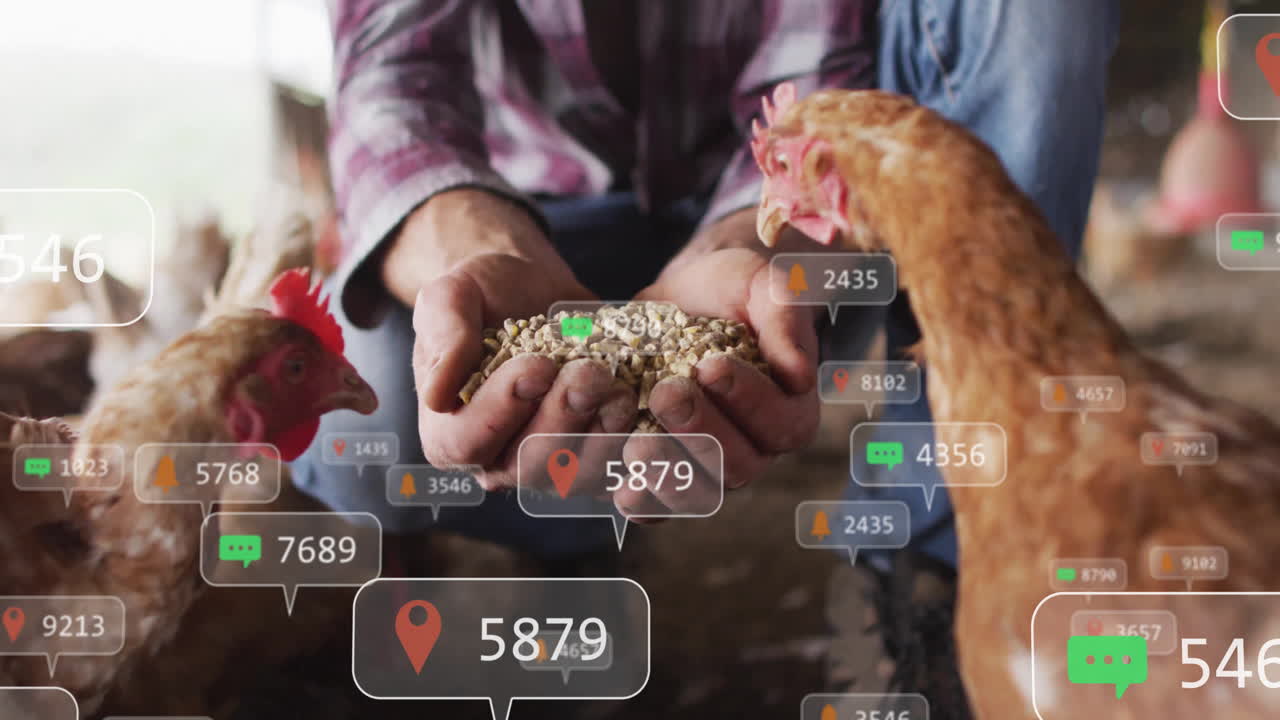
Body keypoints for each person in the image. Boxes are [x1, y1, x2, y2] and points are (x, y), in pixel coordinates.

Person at [293, 0, 1118, 701]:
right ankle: (558, 545)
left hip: (769, 230)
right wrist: (471, 245)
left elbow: (813, 77)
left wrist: (754, 251)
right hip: (541, 218)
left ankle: (936, 551)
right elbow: (387, 82)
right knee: (375, 420)